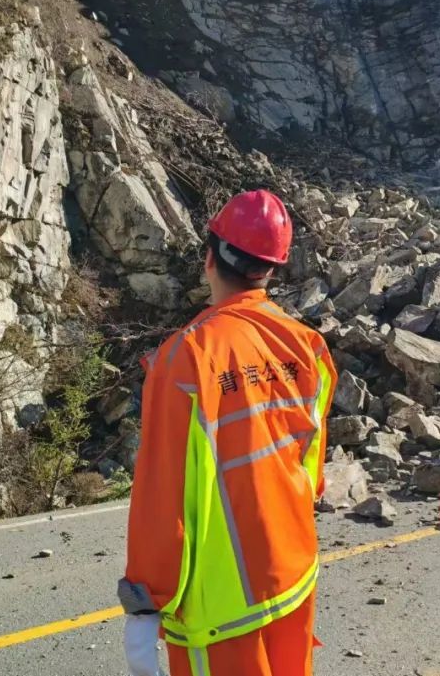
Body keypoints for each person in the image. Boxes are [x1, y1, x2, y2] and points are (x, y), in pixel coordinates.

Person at [120, 189, 338, 676]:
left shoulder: (185, 359)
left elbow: (162, 495)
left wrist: (145, 600)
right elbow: (311, 468)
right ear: (270, 271)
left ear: (209, 259)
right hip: (293, 571)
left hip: (221, 609)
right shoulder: (307, 346)